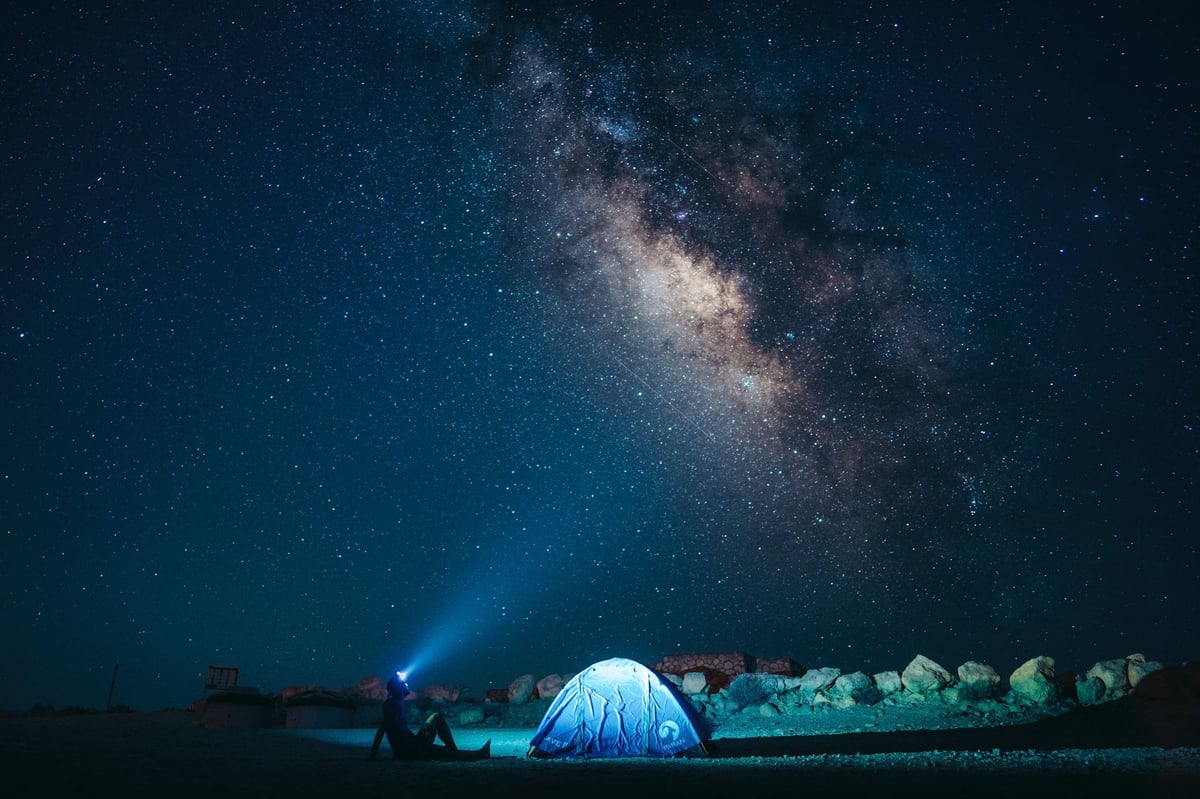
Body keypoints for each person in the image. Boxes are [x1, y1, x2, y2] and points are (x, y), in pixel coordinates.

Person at [370, 672, 490, 761]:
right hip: (409, 750)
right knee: (436, 717)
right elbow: (383, 728)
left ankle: (480, 753)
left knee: (445, 752)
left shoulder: (395, 703)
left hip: (411, 746)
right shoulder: (391, 704)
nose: (406, 685)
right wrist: (373, 756)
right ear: (398, 688)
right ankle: (460, 754)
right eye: (403, 684)